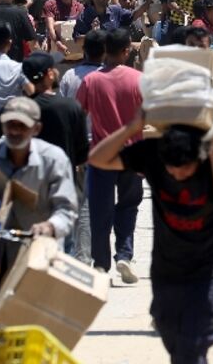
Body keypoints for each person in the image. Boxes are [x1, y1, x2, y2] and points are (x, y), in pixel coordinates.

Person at [90, 119, 213, 363]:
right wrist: (131, 128)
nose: (178, 174)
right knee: (171, 335)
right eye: (172, 169)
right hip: (167, 269)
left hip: (210, 269)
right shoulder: (154, 154)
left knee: (194, 342)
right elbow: (98, 159)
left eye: (185, 169)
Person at [0, 97, 78, 264]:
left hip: (37, 252)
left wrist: (50, 226)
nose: (15, 131)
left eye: (22, 126)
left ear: (36, 129)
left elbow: (66, 209)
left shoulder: (54, 160)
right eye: (10, 124)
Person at [75, 28, 144, 284]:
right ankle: (124, 254)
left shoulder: (91, 81)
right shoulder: (139, 80)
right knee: (128, 206)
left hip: (101, 156)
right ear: (126, 51)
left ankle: (101, 263)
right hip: (132, 155)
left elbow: (78, 117)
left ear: (105, 50)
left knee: (99, 211)